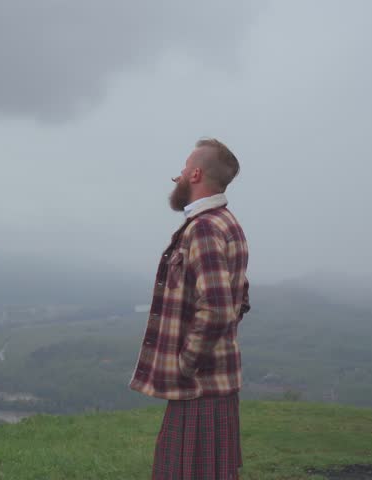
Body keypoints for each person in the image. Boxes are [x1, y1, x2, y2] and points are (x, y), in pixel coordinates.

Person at [130, 137, 250, 480]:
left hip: (200, 384)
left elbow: (217, 307)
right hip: (210, 384)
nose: (177, 176)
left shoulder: (205, 228)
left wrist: (186, 363)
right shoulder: (226, 223)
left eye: (183, 169)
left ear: (196, 174)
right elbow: (237, 297)